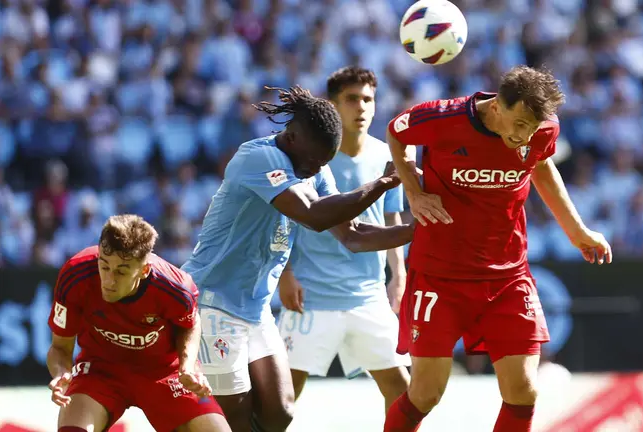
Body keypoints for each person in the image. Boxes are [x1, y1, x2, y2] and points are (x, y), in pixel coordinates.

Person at [383, 65, 613, 432]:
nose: (525, 136)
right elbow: (396, 132)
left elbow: (541, 165)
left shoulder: (541, 128)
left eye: (534, 128)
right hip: (439, 274)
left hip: (508, 275)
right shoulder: (443, 117)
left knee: (523, 390)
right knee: (426, 393)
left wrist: (577, 229)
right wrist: (413, 190)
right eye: (519, 123)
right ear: (497, 108)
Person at [182, 86, 415, 432]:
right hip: (215, 302)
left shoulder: (314, 166)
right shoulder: (256, 158)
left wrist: (423, 229)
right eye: (312, 162)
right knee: (237, 419)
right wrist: (381, 184)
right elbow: (314, 215)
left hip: (255, 308)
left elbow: (352, 235)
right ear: (290, 138)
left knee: (280, 412)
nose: (315, 170)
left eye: (323, 163)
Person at [278, 67, 411, 411]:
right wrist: (287, 273)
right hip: (311, 294)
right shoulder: (309, 156)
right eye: (352, 99)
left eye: (368, 99)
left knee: (403, 393)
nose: (361, 107)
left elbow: (391, 216)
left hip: (367, 295)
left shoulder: (387, 154)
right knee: (282, 400)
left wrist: (399, 273)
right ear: (333, 105)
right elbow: (283, 217)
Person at [46, 214, 230, 432]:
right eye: (104, 267)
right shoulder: (75, 275)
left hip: (163, 372)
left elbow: (189, 323)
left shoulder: (176, 286)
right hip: (99, 371)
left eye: (121, 272)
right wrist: (61, 373)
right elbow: (59, 348)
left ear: (144, 270)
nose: (109, 281)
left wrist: (187, 366)